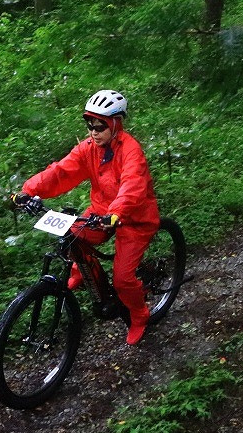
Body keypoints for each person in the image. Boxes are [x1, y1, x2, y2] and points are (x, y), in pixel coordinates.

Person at [14, 90, 160, 346]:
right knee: (73, 237)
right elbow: (60, 172)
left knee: (123, 279)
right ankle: (82, 271)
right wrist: (29, 190)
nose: (94, 131)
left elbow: (132, 185)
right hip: (102, 211)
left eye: (100, 125)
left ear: (115, 124)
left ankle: (139, 314)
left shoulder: (131, 151)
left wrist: (116, 213)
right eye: (89, 124)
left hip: (134, 216)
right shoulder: (88, 149)